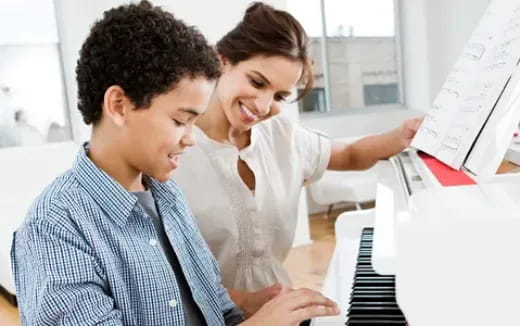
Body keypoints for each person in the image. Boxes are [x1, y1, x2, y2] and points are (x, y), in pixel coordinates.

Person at [10, 1, 339, 325]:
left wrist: (255, 307)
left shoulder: (169, 197)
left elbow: (217, 311)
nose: (191, 138)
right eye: (181, 120)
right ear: (119, 105)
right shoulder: (55, 229)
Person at [173, 1, 422, 316]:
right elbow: (161, 273)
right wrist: (244, 302)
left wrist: (400, 136)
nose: (264, 106)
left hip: (280, 311)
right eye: (257, 82)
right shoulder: (172, 148)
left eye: (279, 97)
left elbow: (350, 154)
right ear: (222, 62)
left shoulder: (282, 135)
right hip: (204, 315)